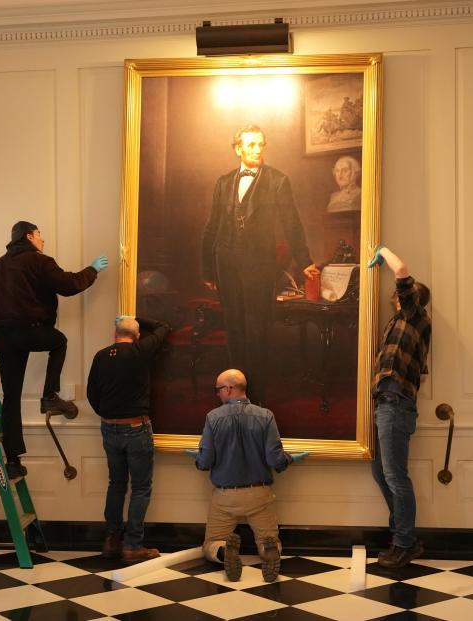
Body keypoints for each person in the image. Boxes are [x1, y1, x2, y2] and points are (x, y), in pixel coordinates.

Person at [0, 221, 108, 479]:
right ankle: (49, 395)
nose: (43, 240)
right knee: (59, 341)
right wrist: (93, 269)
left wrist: (5, 310)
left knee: (10, 398)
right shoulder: (38, 260)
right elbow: (69, 285)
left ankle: (12, 462)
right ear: (30, 236)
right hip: (29, 330)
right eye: (40, 235)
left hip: (4, 337)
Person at [201, 125, 319, 401]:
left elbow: (292, 223)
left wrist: (304, 260)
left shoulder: (278, 181)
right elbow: (211, 227)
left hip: (259, 264)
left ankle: (257, 395)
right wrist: (207, 267)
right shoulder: (224, 181)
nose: (257, 150)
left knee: (257, 328)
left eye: (261, 144)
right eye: (251, 145)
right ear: (238, 148)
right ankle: (234, 392)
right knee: (234, 327)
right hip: (225, 261)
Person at [188, 369, 306, 582]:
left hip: (225, 496)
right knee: (269, 539)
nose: (217, 394)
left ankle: (224, 552)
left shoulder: (213, 417)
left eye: (218, 390)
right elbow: (275, 459)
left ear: (229, 388)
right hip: (259, 494)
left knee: (211, 543)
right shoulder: (265, 415)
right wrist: (291, 459)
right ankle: (269, 550)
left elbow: (204, 462)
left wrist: (198, 458)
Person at [366, 246, 432, 568]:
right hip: (389, 403)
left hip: (395, 403)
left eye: (402, 293)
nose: (396, 294)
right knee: (381, 472)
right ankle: (402, 534)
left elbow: (402, 268)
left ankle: (404, 543)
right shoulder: (404, 325)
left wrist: (382, 252)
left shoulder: (413, 315)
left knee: (395, 475)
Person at [87, 315, 170, 563]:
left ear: (115, 335)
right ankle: (133, 545)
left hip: (109, 428)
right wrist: (137, 318)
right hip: (136, 428)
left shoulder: (101, 356)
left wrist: (107, 414)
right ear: (136, 336)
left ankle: (112, 540)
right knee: (141, 488)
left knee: (116, 484)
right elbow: (163, 326)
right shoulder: (140, 350)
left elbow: (92, 394)